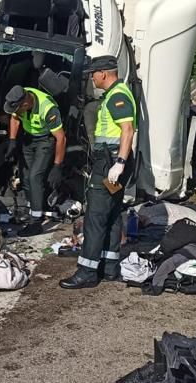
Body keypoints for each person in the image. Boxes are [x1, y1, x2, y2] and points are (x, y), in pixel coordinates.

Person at [60, 55, 137, 289]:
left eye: (93, 73)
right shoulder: (117, 93)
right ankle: (109, 267)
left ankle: (87, 272)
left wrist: (120, 162)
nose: (92, 78)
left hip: (109, 162)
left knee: (95, 216)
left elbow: (127, 131)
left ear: (104, 73)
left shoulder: (117, 96)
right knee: (112, 214)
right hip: (113, 160)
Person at [3, 84, 67, 237]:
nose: (16, 112)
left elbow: (61, 138)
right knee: (25, 177)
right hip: (29, 138)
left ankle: (36, 222)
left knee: (35, 176)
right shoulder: (21, 99)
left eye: (18, 109)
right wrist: (12, 140)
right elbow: (15, 118)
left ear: (25, 104)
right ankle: (33, 210)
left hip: (46, 140)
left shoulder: (47, 108)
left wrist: (57, 166)